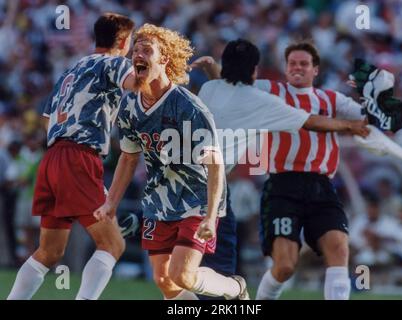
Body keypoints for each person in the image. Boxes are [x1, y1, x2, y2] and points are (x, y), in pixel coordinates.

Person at [191, 39, 369, 300]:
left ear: (316, 69)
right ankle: (236, 295)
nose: (298, 68)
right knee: (283, 265)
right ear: (263, 70)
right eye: (293, 63)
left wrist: (379, 116)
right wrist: (351, 127)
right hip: (281, 185)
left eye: (304, 63)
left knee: (339, 249)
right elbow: (310, 122)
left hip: (321, 186)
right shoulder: (266, 93)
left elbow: (229, 87)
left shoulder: (332, 98)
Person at [94, 24, 249, 300]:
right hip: (159, 200)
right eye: (136, 50)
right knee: (164, 280)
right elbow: (129, 158)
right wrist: (111, 204)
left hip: (196, 199)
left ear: (164, 59)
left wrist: (212, 217)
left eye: (147, 50)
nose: (138, 54)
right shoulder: (130, 107)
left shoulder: (188, 107)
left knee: (183, 275)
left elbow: (215, 164)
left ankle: (235, 288)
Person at [8, 13, 136, 300]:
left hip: (52, 157)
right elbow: (136, 84)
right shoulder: (113, 62)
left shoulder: (71, 69)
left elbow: (46, 120)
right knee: (113, 244)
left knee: (49, 252)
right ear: (124, 41)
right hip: (78, 156)